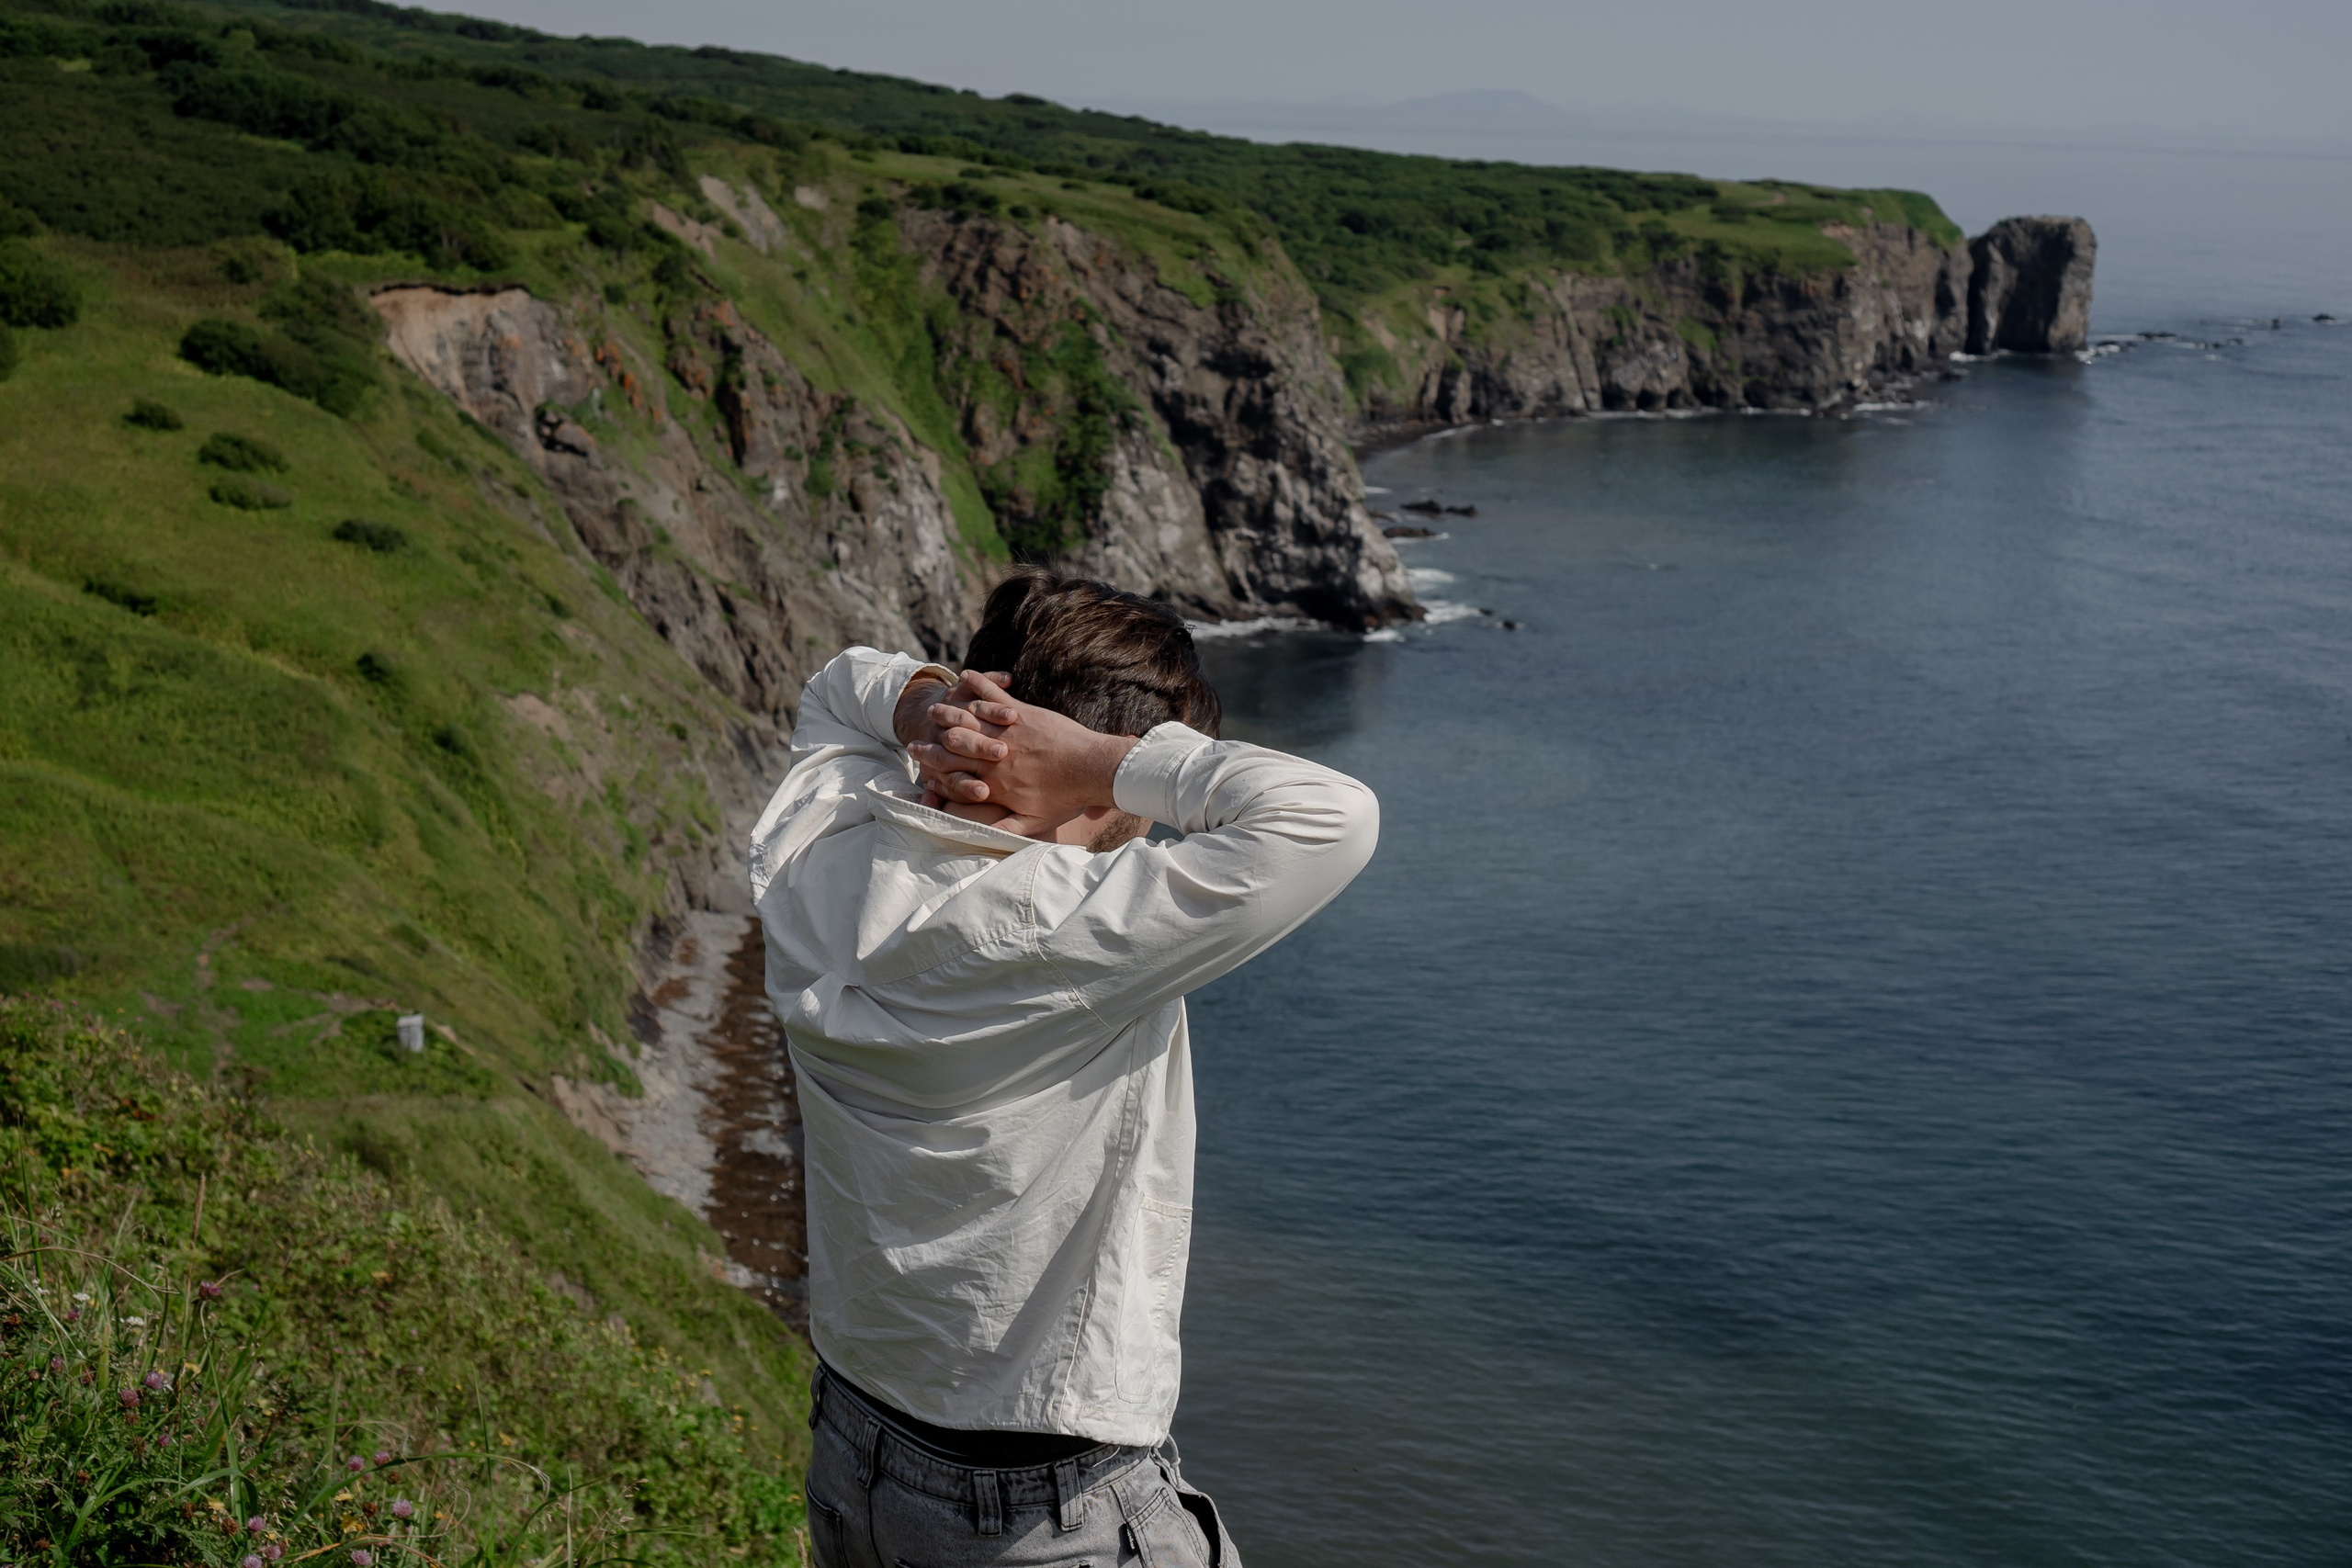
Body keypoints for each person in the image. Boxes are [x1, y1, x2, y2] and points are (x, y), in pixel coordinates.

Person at [749, 570, 1380, 1568]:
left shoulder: (809, 858)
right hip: (1042, 1512)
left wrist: (937, 711)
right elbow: (1327, 817)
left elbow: (837, 688)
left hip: (857, 1453)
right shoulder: (1060, 926)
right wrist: (1098, 760)